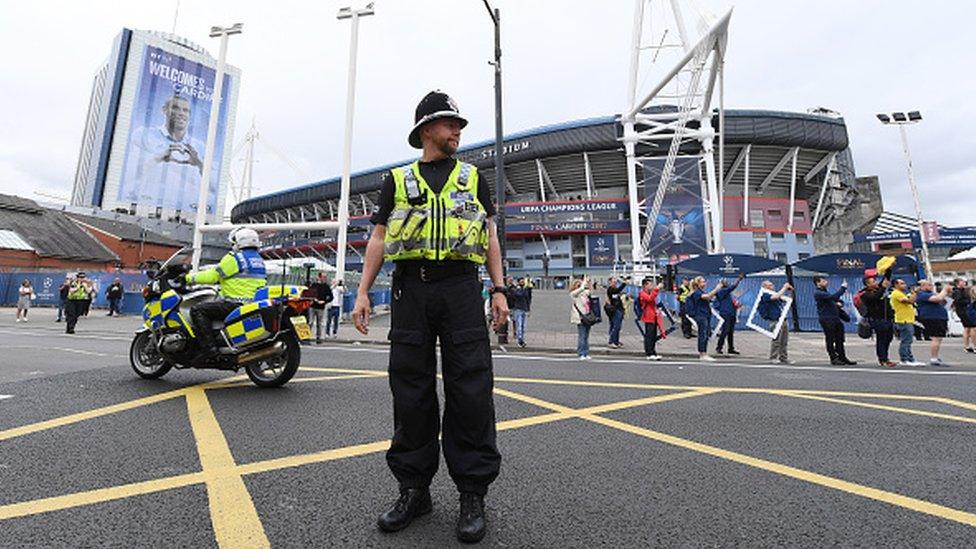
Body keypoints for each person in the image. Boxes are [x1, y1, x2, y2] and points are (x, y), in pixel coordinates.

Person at [351, 91, 505, 543]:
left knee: (471, 389)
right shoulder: (396, 180)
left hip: (461, 287)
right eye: (449, 123)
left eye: (458, 124)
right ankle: (414, 490)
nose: (457, 130)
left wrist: (498, 290)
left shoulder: (473, 178)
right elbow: (379, 238)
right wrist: (362, 291)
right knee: (411, 392)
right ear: (425, 131)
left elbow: (490, 236)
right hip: (411, 289)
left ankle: (472, 493)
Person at [186, 227, 268, 359]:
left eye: (233, 243)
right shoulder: (259, 260)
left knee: (197, 310)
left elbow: (213, 276)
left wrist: (188, 278)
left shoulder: (235, 258)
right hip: (252, 304)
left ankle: (210, 350)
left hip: (235, 303)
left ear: (239, 242)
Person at [126, 94, 206, 208]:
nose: (181, 113)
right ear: (164, 110)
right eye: (175, 108)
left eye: (186, 110)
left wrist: (198, 163)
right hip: (143, 203)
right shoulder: (143, 134)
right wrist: (159, 158)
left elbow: (212, 187)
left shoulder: (199, 146)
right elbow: (131, 172)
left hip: (186, 210)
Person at [813, 276, 856, 366]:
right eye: (823, 281)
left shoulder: (825, 292)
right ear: (818, 283)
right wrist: (843, 288)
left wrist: (840, 303)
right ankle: (833, 358)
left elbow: (837, 299)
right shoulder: (818, 293)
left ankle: (842, 357)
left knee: (840, 339)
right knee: (830, 339)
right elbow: (833, 297)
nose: (826, 282)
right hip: (827, 319)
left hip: (835, 318)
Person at [860, 275, 896, 367]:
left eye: (875, 281)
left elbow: (885, 279)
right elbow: (875, 297)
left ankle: (886, 357)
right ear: (867, 284)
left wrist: (889, 268)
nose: (876, 283)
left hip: (887, 318)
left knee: (889, 338)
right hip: (877, 320)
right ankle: (882, 359)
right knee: (881, 339)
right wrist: (883, 287)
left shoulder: (878, 289)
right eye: (873, 282)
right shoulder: (865, 294)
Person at [915, 280, 953, 366]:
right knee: (936, 338)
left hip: (938, 317)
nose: (931, 286)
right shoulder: (922, 294)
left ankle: (935, 356)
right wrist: (945, 290)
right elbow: (938, 299)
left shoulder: (931, 293)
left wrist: (947, 292)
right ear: (922, 286)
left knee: (938, 338)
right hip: (933, 318)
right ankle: (934, 358)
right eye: (929, 285)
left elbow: (943, 298)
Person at [687, 276, 723, 362]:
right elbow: (707, 297)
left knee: (705, 334)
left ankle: (704, 353)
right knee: (702, 334)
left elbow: (709, 298)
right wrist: (717, 288)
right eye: (703, 282)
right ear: (698, 283)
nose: (705, 283)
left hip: (705, 315)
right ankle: (702, 354)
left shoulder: (700, 291)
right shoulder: (696, 292)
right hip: (701, 316)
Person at [889, 278, 923, 367]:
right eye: (902, 283)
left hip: (908, 319)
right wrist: (915, 293)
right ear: (896, 285)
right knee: (906, 341)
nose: (905, 285)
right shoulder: (896, 294)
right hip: (903, 320)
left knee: (909, 340)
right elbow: (910, 301)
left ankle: (910, 358)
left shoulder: (901, 293)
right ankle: (904, 359)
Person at [759, 280, 793, 364]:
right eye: (770, 285)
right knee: (776, 340)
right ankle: (773, 357)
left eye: (772, 285)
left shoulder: (774, 294)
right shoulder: (764, 294)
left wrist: (790, 292)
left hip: (783, 319)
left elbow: (786, 299)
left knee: (784, 340)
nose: (772, 286)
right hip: (775, 320)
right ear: (765, 287)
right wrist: (784, 287)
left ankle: (783, 357)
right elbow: (776, 297)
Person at [713, 274, 744, 355]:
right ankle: (719, 347)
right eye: (725, 282)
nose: (727, 283)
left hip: (730, 313)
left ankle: (730, 348)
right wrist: (738, 280)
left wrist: (736, 305)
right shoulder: (722, 291)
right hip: (726, 313)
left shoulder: (726, 292)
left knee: (730, 332)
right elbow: (732, 287)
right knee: (725, 331)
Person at [638, 277, 665, 360]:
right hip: (648, 316)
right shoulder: (642, 293)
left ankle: (653, 352)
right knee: (649, 335)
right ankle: (649, 353)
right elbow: (650, 299)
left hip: (653, 316)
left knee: (653, 335)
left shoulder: (650, 292)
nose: (652, 286)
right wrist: (657, 289)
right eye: (650, 284)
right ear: (645, 285)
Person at [570, 277, 593, 360]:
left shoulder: (584, 294)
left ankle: (586, 352)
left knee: (586, 336)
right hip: (580, 318)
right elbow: (580, 290)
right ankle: (581, 353)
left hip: (587, 316)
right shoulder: (574, 294)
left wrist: (589, 283)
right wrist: (582, 285)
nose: (579, 286)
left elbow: (589, 291)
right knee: (582, 336)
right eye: (577, 285)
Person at [951, 278, 976, 353]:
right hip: (964, 311)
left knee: (967, 328)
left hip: (963, 311)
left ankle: (967, 346)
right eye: (962, 281)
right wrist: (968, 302)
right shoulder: (957, 291)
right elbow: (958, 301)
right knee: (972, 327)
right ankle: (974, 346)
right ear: (958, 283)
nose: (964, 282)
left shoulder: (961, 291)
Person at [308, 272, 333, 344]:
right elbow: (309, 294)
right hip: (313, 306)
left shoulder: (326, 286)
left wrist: (324, 301)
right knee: (310, 322)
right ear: (319, 277)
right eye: (323, 277)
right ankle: (307, 337)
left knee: (319, 323)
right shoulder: (314, 285)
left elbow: (331, 297)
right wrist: (314, 299)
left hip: (321, 307)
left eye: (325, 277)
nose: (325, 279)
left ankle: (318, 338)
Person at [606, 276, 626, 348]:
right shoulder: (610, 289)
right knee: (616, 326)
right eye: (613, 282)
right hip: (614, 310)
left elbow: (617, 294)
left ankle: (616, 341)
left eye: (616, 282)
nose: (615, 283)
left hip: (618, 309)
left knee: (617, 326)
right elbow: (617, 290)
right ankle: (611, 341)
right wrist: (624, 283)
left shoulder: (614, 289)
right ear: (610, 282)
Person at [509, 277, 530, 348]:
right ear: (518, 282)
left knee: (523, 326)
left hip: (523, 309)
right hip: (517, 309)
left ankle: (522, 340)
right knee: (519, 325)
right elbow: (518, 294)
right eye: (521, 282)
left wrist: (528, 309)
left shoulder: (525, 290)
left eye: (523, 282)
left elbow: (527, 299)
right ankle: (520, 340)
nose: (523, 283)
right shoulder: (516, 290)